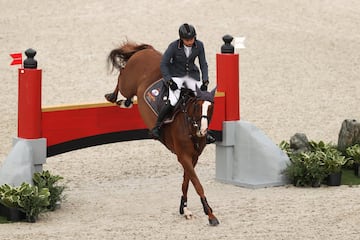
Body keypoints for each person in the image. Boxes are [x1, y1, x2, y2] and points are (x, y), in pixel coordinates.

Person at [150, 23, 216, 144]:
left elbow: (203, 64)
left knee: (203, 100)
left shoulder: (199, 45)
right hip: (177, 75)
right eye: (187, 40)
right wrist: (169, 80)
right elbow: (163, 64)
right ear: (181, 38)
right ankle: (157, 127)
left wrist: (205, 80)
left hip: (192, 75)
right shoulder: (173, 46)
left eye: (192, 39)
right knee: (173, 100)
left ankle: (206, 131)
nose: (190, 41)